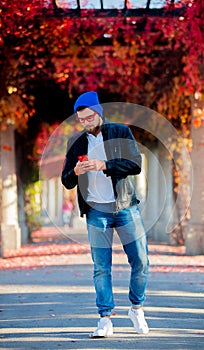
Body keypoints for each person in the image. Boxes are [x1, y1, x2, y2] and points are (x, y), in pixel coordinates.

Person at [61, 91, 149, 337]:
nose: (86, 123)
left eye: (89, 118)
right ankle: (105, 319)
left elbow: (136, 164)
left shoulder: (120, 132)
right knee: (101, 267)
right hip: (96, 212)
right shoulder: (76, 143)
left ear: (99, 113)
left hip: (125, 207)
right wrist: (75, 172)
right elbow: (66, 181)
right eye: (81, 120)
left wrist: (104, 165)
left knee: (140, 260)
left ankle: (137, 308)